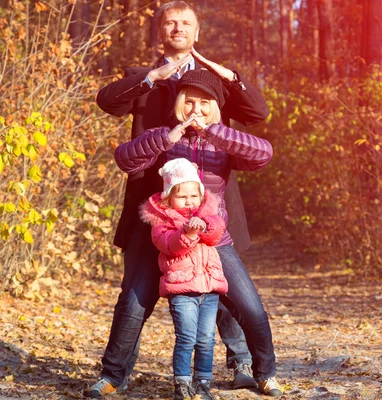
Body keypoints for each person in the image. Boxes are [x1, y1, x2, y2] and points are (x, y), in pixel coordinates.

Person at [85, 1, 268, 397]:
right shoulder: (142, 78)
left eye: (186, 22)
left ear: (197, 33)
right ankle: (114, 374)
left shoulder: (213, 82)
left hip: (210, 203)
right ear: (160, 31)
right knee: (135, 295)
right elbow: (108, 102)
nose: (178, 27)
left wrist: (228, 75)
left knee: (220, 289)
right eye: (170, 22)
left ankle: (240, 363)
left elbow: (257, 113)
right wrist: (151, 78)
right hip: (150, 208)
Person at [112, 69, 283, 396]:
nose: (196, 108)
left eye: (205, 103)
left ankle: (266, 373)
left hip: (216, 241)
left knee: (252, 310)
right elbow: (125, 159)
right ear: (178, 104)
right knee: (134, 305)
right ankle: (111, 376)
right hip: (168, 242)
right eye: (189, 101)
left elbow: (263, 153)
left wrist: (215, 134)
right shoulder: (165, 137)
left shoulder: (222, 141)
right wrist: (168, 137)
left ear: (215, 107)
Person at [139, 158, 227, 400]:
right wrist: (186, 232)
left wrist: (205, 224)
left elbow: (216, 232)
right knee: (187, 337)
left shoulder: (208, 214)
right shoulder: (162, 222)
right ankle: (182, 383)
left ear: (200, 195)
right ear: (168, 197)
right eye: (182, 196)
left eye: (193, 196)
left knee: (206, 339)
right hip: (182, 290)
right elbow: (169, 246)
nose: (189, 201)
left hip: (209, 289)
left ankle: (203, 383)